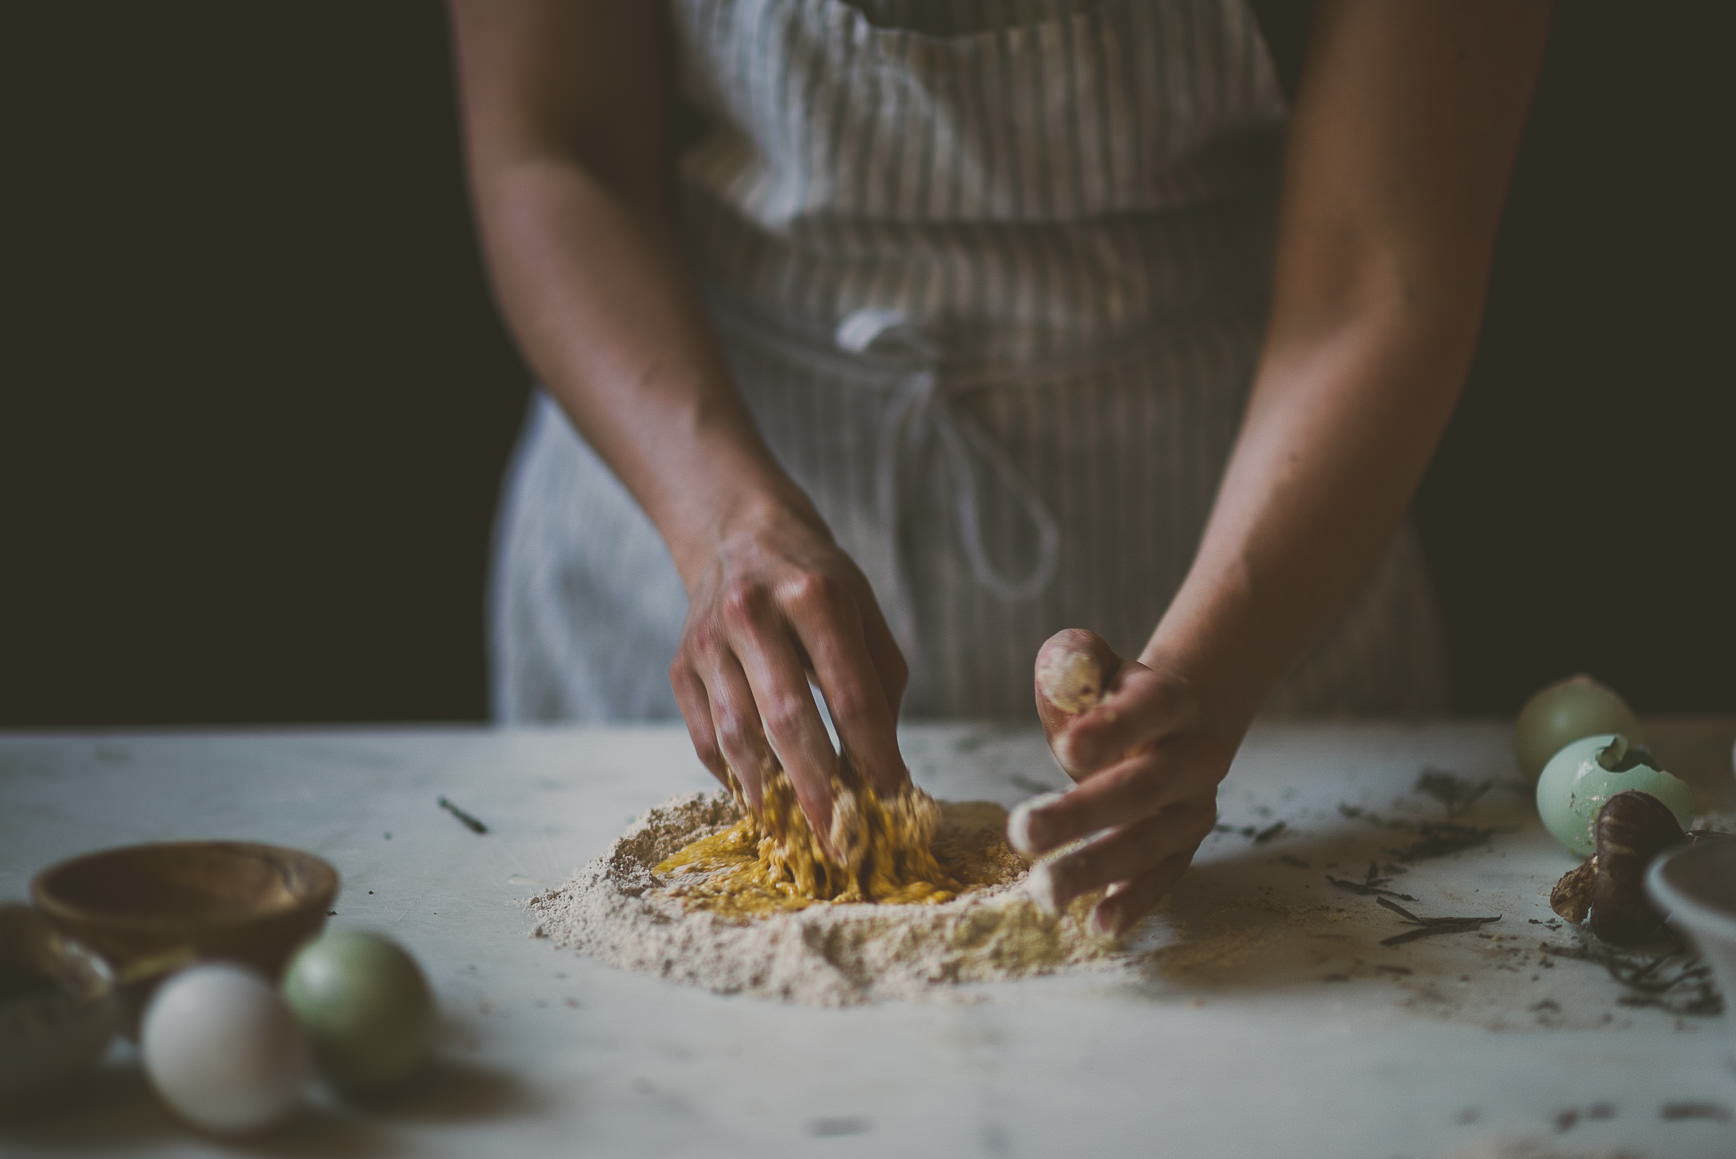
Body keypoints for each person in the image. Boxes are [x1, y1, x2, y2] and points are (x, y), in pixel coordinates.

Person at [450, 0, 1551, 935]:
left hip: (1251, 525)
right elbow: (554, 153)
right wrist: (719, 520)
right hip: (678, 469)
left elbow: (1380, 264)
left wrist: (1212, 670)